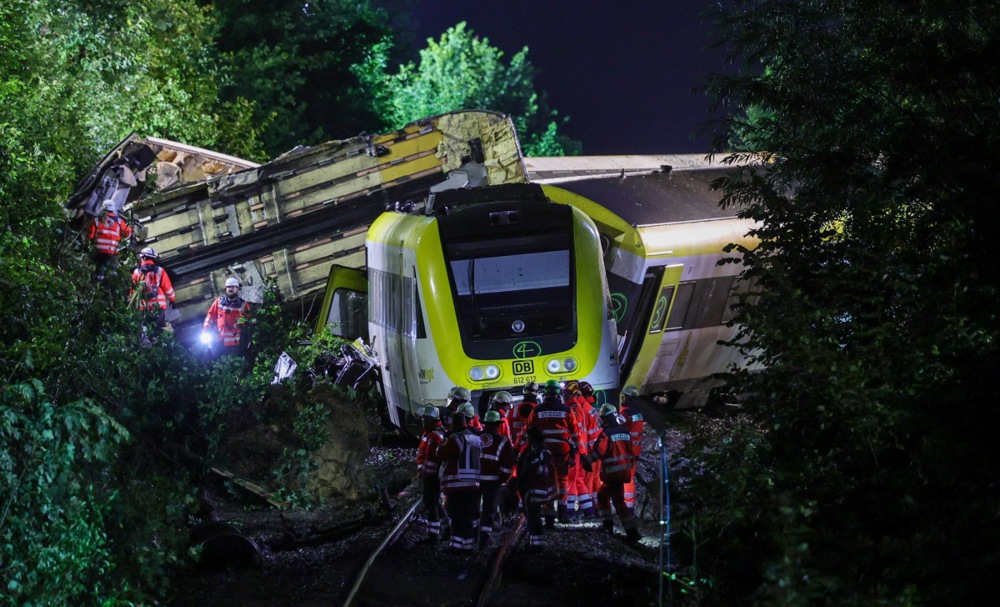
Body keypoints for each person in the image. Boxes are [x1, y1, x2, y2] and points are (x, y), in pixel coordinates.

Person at [526, 379, 583, 526]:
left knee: (547, 481)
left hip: (544, 451)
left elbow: (530, 430)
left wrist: (530, 449)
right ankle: (563, 512)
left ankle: (549, 516)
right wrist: (581, 451)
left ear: (545, 393)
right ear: (559, 393)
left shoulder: (537, 410)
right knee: (562, 480)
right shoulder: (566, 410)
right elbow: (575, 432)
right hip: (562, 450)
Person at [587, 404, 642, 543]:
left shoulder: (606, 434)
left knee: (607, 498)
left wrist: (585, 461)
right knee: (613, 499)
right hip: (623, 472)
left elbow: (598, 452)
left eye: (603, 418)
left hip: (613, 473)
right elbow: (631, 451)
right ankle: (629, 531)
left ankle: (613, 528)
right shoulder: (625, 432)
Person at [436, 410, 483, 552]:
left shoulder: (456, 439)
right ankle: (468, 545)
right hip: (474, 484)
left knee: (456, 516)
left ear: (455, 423)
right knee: (469, 515)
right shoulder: (476, 438)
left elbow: (441, 453)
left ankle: (456, 547)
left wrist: (442, 444)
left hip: (457, 484)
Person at [516, 426, 557, 553]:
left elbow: (545, 470)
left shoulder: (544, 452)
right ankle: (534, 541)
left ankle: (536, 545)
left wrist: (530, 469)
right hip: (531, 489)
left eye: (529, 437)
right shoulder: (528, 451)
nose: (527, 439)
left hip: (539, 489)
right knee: (532, 516)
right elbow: (520, 468)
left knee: (534, 517)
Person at [478, 410, 514, 546]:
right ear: (498, 424)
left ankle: (474, 534)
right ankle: (484, 537)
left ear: (485, 424)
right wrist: (502, 479)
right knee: (489, 508)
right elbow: (507, 465)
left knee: (474, 507)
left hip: (474, 479)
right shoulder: (503, 441)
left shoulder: (476, 437)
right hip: (493, 481)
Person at [415, 404, 447, 545]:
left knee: (430, 503)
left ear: (432, 419)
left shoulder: (434, 435)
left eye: (425, 418)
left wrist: (425, 473)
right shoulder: (429, 433)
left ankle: (433, 536)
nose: (423, 420)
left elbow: (432, 459)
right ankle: (447, 528)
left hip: (432, 476)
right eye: (422, 417)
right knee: (435, 502)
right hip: (429, 475)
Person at [130, 246, 175, 341]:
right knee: (158, 331)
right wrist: (172, 300)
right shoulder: (159, 270)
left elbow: (132, 292)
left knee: (145, 330)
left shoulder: (136, 272)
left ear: (143, 257)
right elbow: (168, 288)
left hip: (144, 309)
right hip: (159, 307)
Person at [202, 277, 252, 354]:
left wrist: (242, 324)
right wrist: (205, 331)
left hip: (236, 344)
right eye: (228, 287)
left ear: (237, 288)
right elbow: (210, 317)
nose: (230, 289)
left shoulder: (244, 305)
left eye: (233, 287)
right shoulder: (218, 302)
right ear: (225, 288)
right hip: (218, 342)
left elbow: (249, 322)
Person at [87, 199, 133, 281]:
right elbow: (127, 234)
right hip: (112, 251)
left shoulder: (97, 220)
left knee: (99, 269)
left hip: (99, 251)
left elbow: (90, 236)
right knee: (111, 273)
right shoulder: (119, 221)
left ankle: (96, 283)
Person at [619, 386, 646, 513]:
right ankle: (629, 507)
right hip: (635, 451)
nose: (622, 399)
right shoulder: (639, 414)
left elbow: (617, 425)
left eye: (624, 397)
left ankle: (625, 507)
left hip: (625, 451)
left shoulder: (626, 413)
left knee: (623, 478)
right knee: (630, 478)